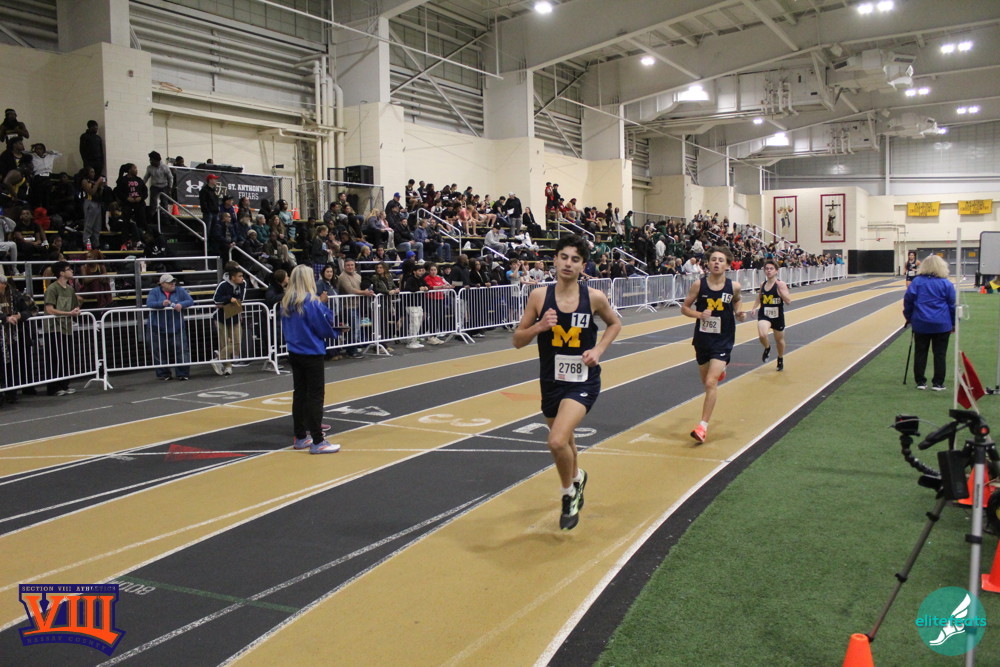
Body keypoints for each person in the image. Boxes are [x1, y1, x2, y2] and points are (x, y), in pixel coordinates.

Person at [512, 235, 621, 530]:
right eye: (564, 257)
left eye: (575, 259)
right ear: (555, 260)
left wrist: (598, 350)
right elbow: (517, 340)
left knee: (557, 440)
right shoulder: (539, 297)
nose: (568, 264)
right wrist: (538, 326)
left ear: (583, 265)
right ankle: (577, 477)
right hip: (551, 380)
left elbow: (615, 323)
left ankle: (567, 493)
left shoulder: (594, 297)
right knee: (567, 440)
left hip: (582, 380)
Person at [681, 247, 746, 443]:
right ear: (708, 263)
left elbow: (737, 301)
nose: (717, 262)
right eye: (714, 259)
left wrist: (739, 312)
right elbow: (684, 308)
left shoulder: (733, 286)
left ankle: (702, 427)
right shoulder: (698, 285)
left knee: (711, 382)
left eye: (721, 260)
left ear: (727, 265)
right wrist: (699, 314)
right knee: (706, 381)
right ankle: (720, 371)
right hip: (702, 339)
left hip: (723, 339)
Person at [280, 264, 341, 454]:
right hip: (311, 351)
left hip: (294, 351)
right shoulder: (311, 302)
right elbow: (323, 326)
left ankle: (300, 437)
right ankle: (318, 440)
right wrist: (335, 331)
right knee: (315, 396)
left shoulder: (286, 301)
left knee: (300, 394)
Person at [903, 254, 956, 391]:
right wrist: (954, 323)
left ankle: (920, 381)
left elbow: (908, 301)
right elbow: (952, 305)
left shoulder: (917, 282)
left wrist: (909, 317)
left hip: (921, 322)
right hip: (941, 323)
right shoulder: (946, 283)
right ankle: (938, 383)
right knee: (940, 354)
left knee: (920, 352)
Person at [43, 260, 81, 396]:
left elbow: (76, 305)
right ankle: (53, 387)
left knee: (66, 357)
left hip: (66, 327)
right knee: (54, 358)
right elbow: (49, 309)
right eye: (68, 269)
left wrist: (76, 311)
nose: (71, 271)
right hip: (53, 328)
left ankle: (64, 384)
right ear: (61, 273)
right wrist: (68, 313)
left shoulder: (70, 289)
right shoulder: (52, 289)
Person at [146, 274, 193, 380]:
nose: (173, 284)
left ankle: (183, 373)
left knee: (182, 350)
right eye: (169, 282)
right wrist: (161, 304)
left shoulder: (180, 290)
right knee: (158, 351)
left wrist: (181, 304)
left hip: (176, 327)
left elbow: (190, 301)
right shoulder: (154, 291)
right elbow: (149, 303)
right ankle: (163, 374)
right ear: (162, 284)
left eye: (173, 282)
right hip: (157, 327)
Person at [750, 259, 792, 371]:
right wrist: (754, 307)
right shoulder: (763, 284)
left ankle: (780, 358)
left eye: (771, 269)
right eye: (767, 269)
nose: (769, 271)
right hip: (765, 314)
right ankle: (767, 348)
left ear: (776, 271)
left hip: (777, 316)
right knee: (763, 334)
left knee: (779, 340)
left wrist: (781, 293)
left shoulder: (781, 284)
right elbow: (759, 297)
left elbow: (788, 301)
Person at [211, 264, 246, 375]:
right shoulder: (223, 285)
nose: (242, 278)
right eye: (240, 276)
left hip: (235, 315)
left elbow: (241, 299)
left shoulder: (243, 284)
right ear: (233, 277)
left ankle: (218, 359)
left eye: (242, 276)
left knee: (237, 342)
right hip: (221, 317)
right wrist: (229, 299)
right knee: (224, 342)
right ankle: (227, 366)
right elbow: (216, 300)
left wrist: (229, 302)